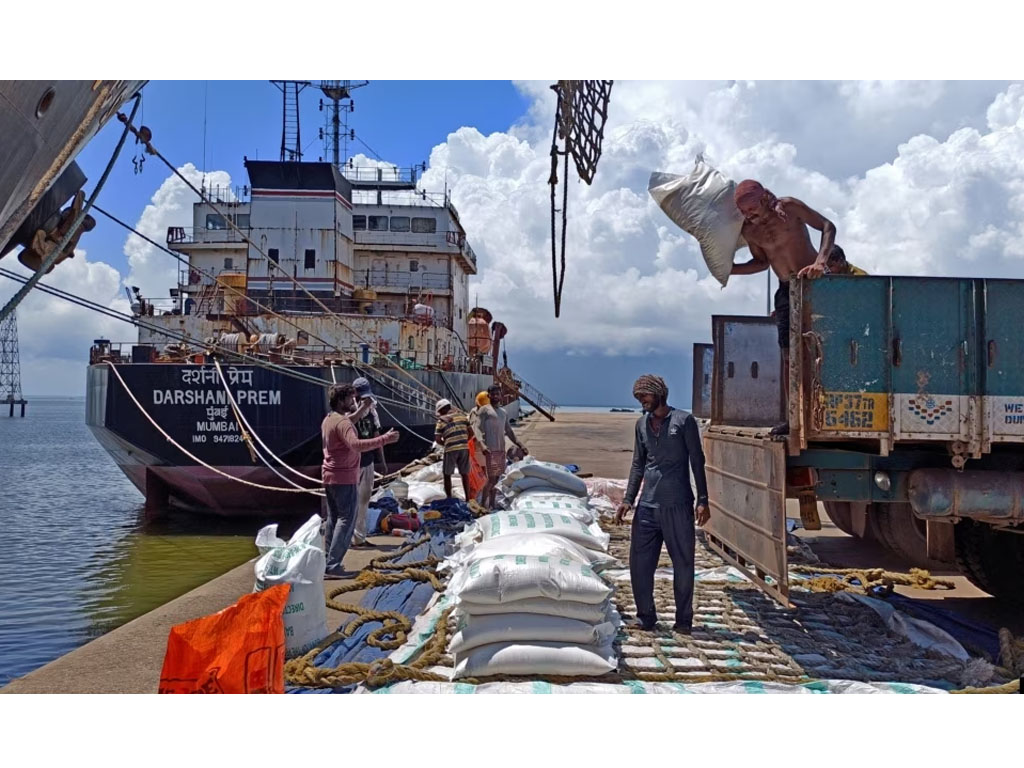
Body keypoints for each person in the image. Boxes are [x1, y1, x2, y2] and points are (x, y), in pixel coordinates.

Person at [729, 180, 837, 435]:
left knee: (826, 350)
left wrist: (820, 262)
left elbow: (827, 227)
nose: (749, 215)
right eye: (744, 212)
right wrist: (731, 270)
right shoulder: (750, 231)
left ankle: (830, 411)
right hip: (786, 290)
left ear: (765, 198)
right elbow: (761, 263)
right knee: (789, 356)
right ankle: (794, 418)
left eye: (752, 209)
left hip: (815, 285)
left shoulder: (789, 207)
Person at [614, 375, 710, 634]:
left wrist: (703, 499)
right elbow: (638, 464)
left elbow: (697, 461)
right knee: (639, 564)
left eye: (644, 396)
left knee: (684, 563)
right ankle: (646, 616)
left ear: (659, 394)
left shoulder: (684, 421)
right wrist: (627, 500)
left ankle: (683, 620)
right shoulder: (641, 425)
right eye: (637, 397)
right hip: (647, 506)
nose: (641, 400)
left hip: (678, 505)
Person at [321, 384, 399, 578]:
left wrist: (364, 409)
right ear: (341, 401)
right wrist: (384, 439)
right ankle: (333, 565)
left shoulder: (330, 419)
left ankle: (326, 561)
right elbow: (355, 445)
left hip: (329, 475)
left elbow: (347, 422)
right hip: (344, 476)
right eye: (350, 399)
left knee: (333, 519)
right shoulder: (344, 423)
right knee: (347, 519)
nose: (353, 402)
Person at [349, 377, 385, 548]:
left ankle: (360, 537)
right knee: (350, 502)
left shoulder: (372, 411)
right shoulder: (347, 411)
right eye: (361, 397)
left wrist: (382, 461)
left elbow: (377, 436)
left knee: (363, 501)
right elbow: (348, 424)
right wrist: (362, 406)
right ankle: (347, 538)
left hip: (368, 461)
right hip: (351, 464)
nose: (364, 400)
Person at [473, 391, 506, 508]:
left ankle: (490, 503)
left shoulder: (501, 412)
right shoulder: (481, 412)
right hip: (486, 450)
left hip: (495, 449)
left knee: (494, 479)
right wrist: (482, 445)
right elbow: (475, 428)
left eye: (498, 394)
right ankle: (484, 504)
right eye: (494, 395)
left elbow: (507, 429)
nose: (496, 397)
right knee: (491, 479)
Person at [434, 398, 472, 500]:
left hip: (450, 449)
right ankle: (468, 499)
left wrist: (446, 443)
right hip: (464, 448)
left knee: (447, 474)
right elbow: (471, 432)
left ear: (441, 410)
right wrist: (464, 440)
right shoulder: (463, 416)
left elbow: (437, 439)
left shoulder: (440, 422)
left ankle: (449, 498)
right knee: (465, 474)